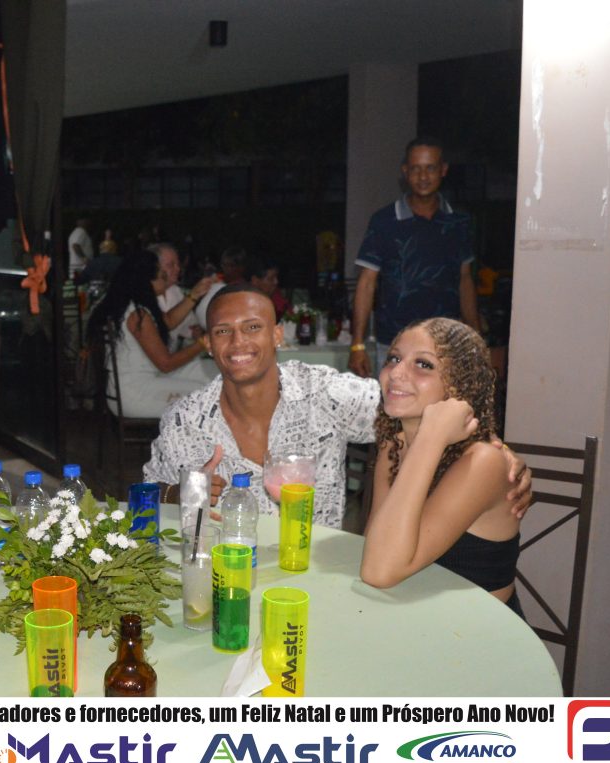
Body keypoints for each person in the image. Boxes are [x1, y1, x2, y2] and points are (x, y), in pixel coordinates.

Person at [143, 284, 531, 528]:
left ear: (277, 335)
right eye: (223, 331)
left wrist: (492, 450)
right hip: (226, 580)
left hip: (319, 576)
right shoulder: (185, 420)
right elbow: (143, 498)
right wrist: (177, 493)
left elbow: (418, 402)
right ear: (208, 344)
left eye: (253, 327)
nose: (238, 342)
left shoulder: (324, 395)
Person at [359, 318, 522, 615]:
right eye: (394, 358)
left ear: (458, 384)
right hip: (413, 618)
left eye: (423, 364)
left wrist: (431, 436)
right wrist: (425, 440)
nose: (396, 372)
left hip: (479, 630)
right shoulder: (394, 446)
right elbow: (376, 546)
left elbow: (379, 571)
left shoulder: (483, 461)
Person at [349, 136, 481, 377]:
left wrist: (476, 338)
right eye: (416, 169)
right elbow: (366, 283)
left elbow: (465, 280)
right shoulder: (384, 221)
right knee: (393, 402)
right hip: (394, 344)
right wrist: (357, 344)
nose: (423, 176)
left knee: (442, 403)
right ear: (405, 171)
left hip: (446, 347)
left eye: (430, 168)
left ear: (443, 170)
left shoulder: (458, 222)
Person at [87, 249, 214, 419]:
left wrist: (194, 294)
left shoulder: (132, 306)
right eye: (161, 275)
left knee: (208, 375)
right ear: (146, 280)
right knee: (207, 397)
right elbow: (166, 364)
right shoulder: (137, 315)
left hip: (133, 386)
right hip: (135, 394)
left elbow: (167, 321)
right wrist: (203, 343)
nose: (166, 279)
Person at [150, 242, 210, 349]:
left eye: (178, 264)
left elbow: (189, 325)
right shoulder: (142, 295)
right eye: (170, 265)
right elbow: (167, 324)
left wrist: (195, 331)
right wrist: (194, 294)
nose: (177, 269)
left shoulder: (175, 290)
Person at [195, 245, 250, 328]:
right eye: (223, 265)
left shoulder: (243, 289)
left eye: (230, 265)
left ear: (240, 267)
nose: (225, 269)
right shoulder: (218, 280)